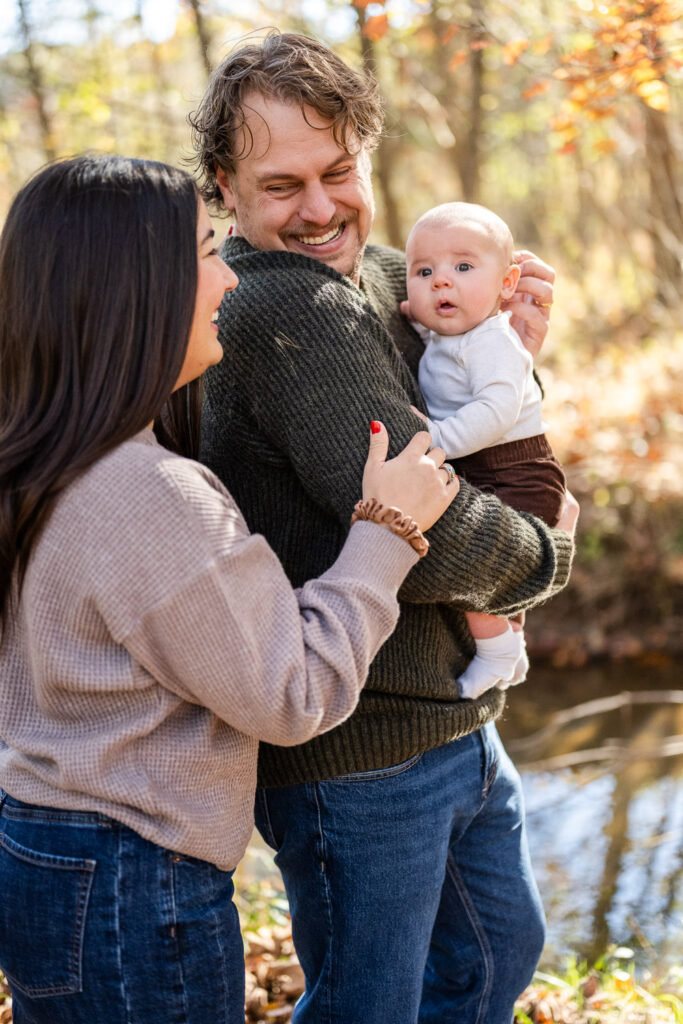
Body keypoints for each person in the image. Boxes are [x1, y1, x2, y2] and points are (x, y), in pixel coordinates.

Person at [0, 154, 458, 1024]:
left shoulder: (39, 458)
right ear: (137, 293)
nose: (226, 280)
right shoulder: (145, 495)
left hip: (42, 855)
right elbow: (294, 693)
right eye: (208, 253)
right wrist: (384, 533)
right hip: (132, 888)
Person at [191, 31, 579, 1024]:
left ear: (364, 153)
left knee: (493, 956)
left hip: (442, 708)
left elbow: (462, 413)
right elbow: (433, 531)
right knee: (372, 1003)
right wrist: (546, 552)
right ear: (225, 187)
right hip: (356, 746)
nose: (320, 209)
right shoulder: (287, 307)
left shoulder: (378, 280)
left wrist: (500, 353)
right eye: (281, 185)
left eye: (337, 170)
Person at [402, 201, 567, 700]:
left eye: (463, 267)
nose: (441, 282)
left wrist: (440, 441)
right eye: (424, 271)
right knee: (493, 567)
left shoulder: (493, 341)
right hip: (488, 464)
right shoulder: (452, 332)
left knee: (481, 562)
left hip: (516, 468)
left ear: (507, 283)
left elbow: (497, 409)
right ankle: (510, 649)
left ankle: (497, 654)